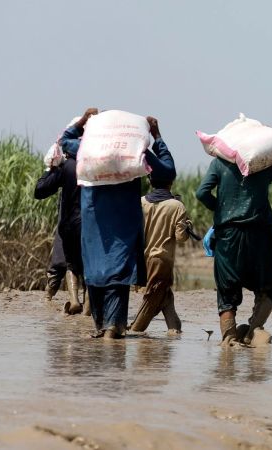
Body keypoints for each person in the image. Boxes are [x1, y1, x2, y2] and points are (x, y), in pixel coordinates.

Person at [59, 108, 176, 339]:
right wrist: (157, 136)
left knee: (95, 271)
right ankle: (114, 326)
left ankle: (101, 326)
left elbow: (64, 141)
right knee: (118, 273)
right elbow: (168, 170)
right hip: (124, 225)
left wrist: (82, 121)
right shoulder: (135, 151)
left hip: (94, 225)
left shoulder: (87, 149)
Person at [196, 145, 272, 347]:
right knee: (271, 284)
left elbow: (202, 193)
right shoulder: (262, 163)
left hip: (228, 236)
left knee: (227, 291)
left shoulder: (218, 163)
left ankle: (229, 339)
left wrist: (221, 209)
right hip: (260, 235)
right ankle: (253, 331)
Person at [128, 175, 191, 334]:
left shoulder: (140, 202)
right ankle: (136, 329)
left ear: (150, 181)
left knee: (163, 294)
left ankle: (174, 329)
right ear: (171, 181)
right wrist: (187, 225)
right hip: (162, 260)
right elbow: (181, 237)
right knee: (152, 298)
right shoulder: (177, 206)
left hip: (143, 259)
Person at [34, 149, 86, 315]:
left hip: (69, 223)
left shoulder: (67, 168)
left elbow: (40, 189)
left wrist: (50, 168)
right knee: (88, 267)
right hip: (91, 224)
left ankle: (67, 300)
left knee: (63, 262)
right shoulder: (94, 166)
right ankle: (87, 311)